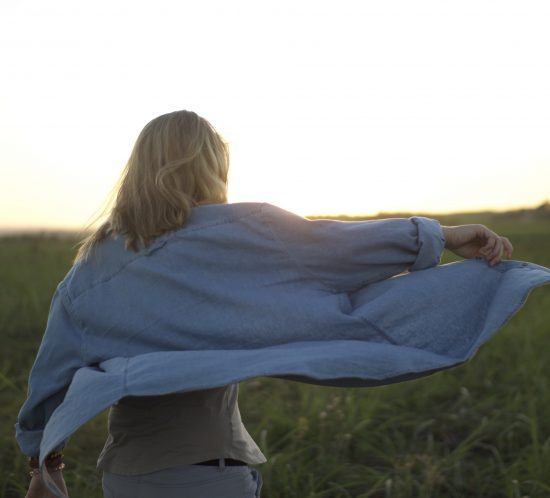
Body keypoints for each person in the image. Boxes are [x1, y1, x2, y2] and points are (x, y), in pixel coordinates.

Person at [15, 110, 550, 498]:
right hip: (209, 477)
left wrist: (45, 463)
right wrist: (442, 236)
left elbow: (48, 383)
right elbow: (339, 246)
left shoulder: (87, 274)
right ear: (210, 168)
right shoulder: (245, 232)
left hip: (125, 480)